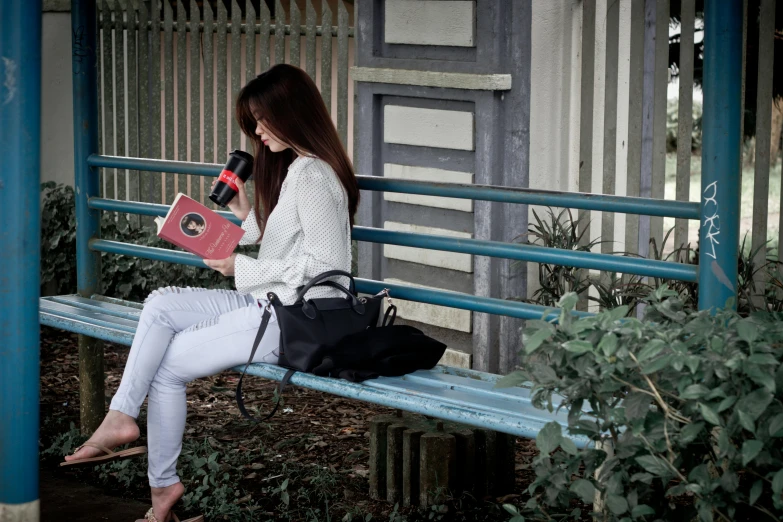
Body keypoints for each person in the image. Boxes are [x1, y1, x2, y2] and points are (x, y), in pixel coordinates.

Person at [61, 63, 359, 522]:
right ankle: (121, 415)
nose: (257, 131)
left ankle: (162, 491)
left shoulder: (314, 175)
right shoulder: (300, 169)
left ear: (292, 113)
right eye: (253, 122)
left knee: (168, 367)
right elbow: (284, 238)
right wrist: (243, 216)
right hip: (271, 303)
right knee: (160, 304)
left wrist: (241, 266)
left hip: (293, 319)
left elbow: (326, 265)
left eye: (262, 119)